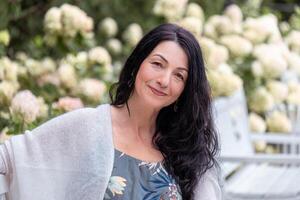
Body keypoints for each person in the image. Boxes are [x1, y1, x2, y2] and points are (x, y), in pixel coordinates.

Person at [0, 23, 222, 200]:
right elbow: (8, 161)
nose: (164, 80)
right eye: (157, 64)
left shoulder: (186, 147)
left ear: (185, 90)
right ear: (137, 64)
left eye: (179, 76)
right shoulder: (90, 125)